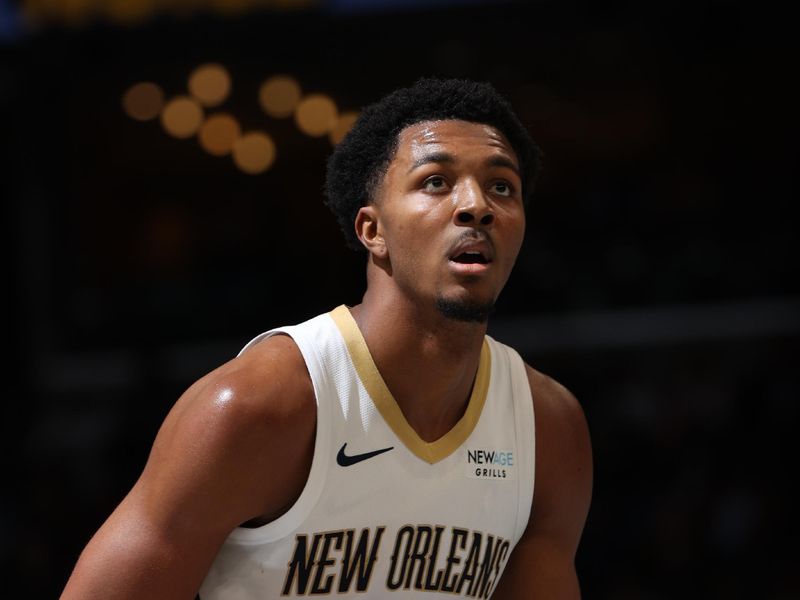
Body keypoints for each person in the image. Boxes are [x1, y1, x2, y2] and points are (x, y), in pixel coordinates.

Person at [61, 77, 592, 599]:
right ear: (371, 230)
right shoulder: (257, 406)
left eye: (502, 186)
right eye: (435, 181)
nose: (477, 205)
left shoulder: (547, 428)